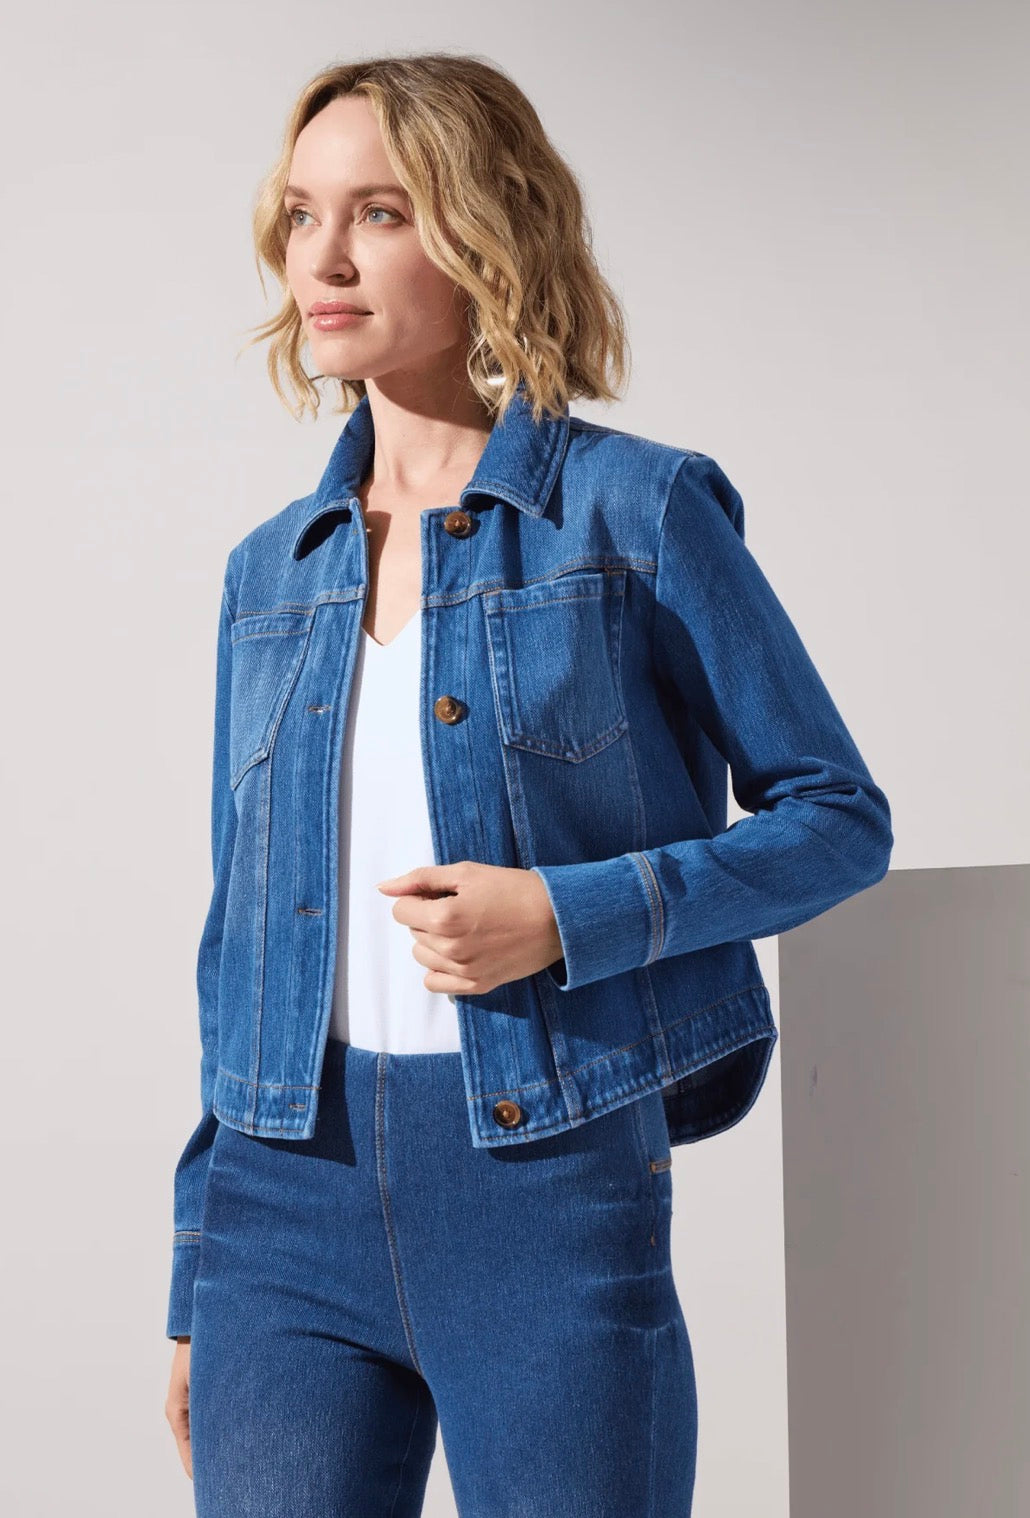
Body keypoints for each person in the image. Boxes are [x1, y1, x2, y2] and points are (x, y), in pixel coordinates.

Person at [163, 52, 892, 1517]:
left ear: (484, 231)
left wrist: (568, 914)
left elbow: (835, 819)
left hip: (544, 1184)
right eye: (301, 214)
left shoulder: (635, 510)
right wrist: (197, 1270)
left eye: (379, 212)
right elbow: (241, 937)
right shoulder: (270, 573)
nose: (324, 257)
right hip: (279, 1204)